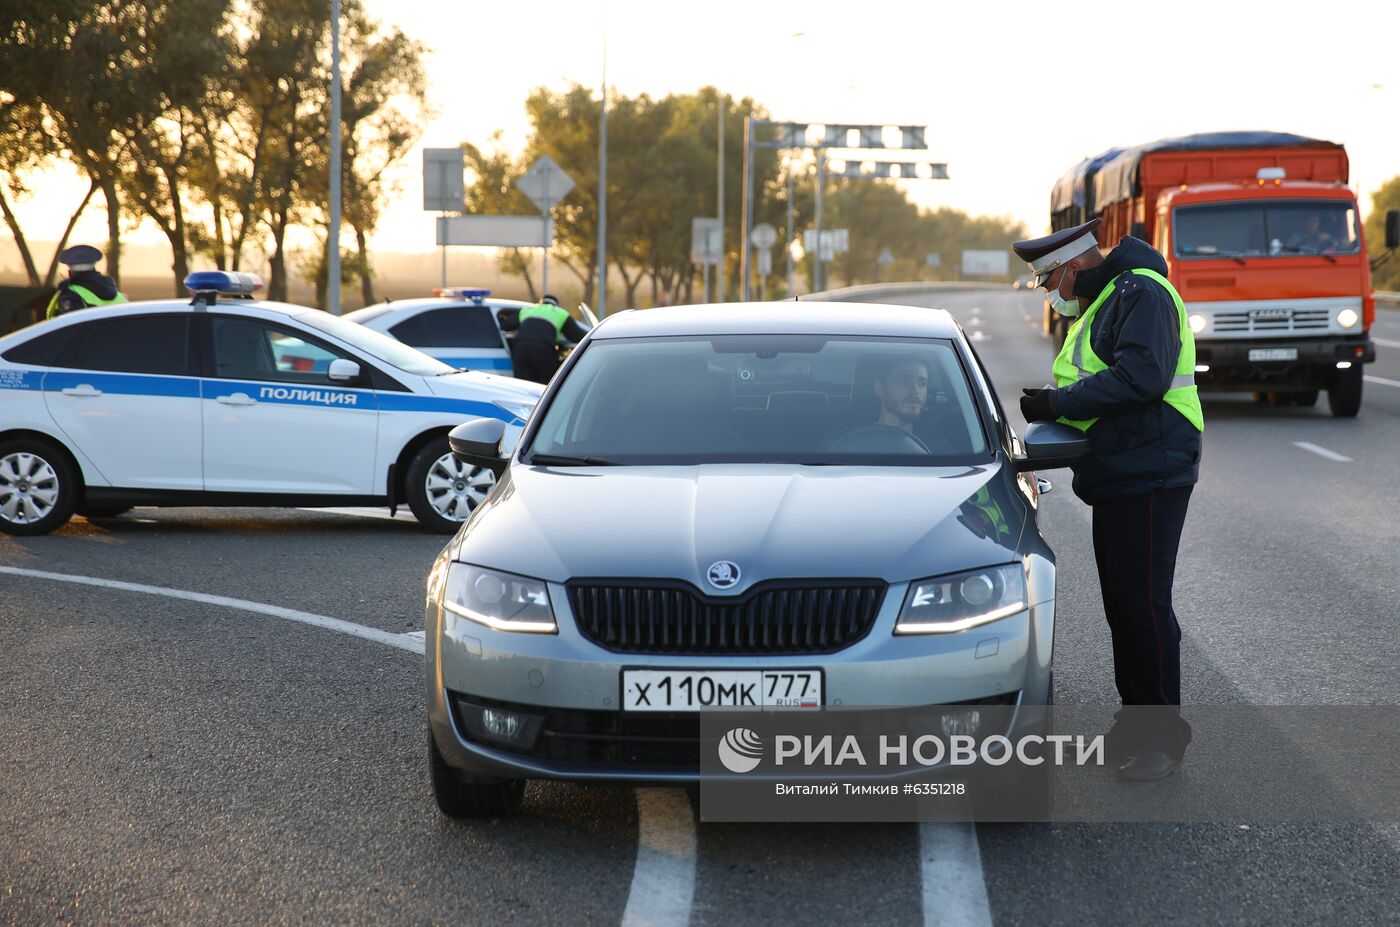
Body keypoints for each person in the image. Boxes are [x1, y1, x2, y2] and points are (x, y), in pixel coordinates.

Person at [1014, 217, 1204, 783]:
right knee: (1126, 605)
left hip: (1153, 468)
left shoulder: (1141, 291)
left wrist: (1055, 404)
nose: (1053, 295)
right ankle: (1136, 722)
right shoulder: (1114, 298)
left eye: (1052, 282)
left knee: (1144, 606)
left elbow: (1141, 378)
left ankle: (1162, 740)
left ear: (1072, 267)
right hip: (1127, 468)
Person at [502, 294, 589, 384]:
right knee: (545, 386)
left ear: (541, 302)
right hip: (542, 351)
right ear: (555, 305)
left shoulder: (528, 309)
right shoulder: (560, 313)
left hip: (521, 350)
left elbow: (506, 326)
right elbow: (576, 335)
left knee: (522, 385)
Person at [45, 245, 127, 319]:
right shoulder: (117, 294)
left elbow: (69, 328)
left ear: (70, 271)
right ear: (94, 268)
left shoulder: (71, 294)